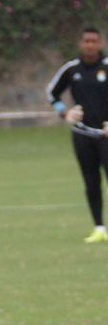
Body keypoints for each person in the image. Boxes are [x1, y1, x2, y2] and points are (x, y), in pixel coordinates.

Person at [47, 26, 108, 243]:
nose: (90, 45)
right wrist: (65, 113)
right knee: (91, 181)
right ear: (81, 44)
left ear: (100, 43)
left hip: (106, 134)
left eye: (94, 41)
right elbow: (51, 93)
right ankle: (99, 227)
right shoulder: (71, 69)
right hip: (82, 134)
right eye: (86, 41)